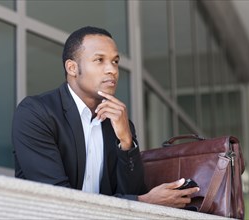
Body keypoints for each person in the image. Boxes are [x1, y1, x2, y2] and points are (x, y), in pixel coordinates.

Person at [12, 26, 199, 208]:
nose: (112, 70)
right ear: (72, 68)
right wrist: (146, 202)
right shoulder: (36, 113)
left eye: (115, 61)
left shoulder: (119, 123)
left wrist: (126, 143)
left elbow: (131, 191)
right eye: (99, 60)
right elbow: (57, 199)